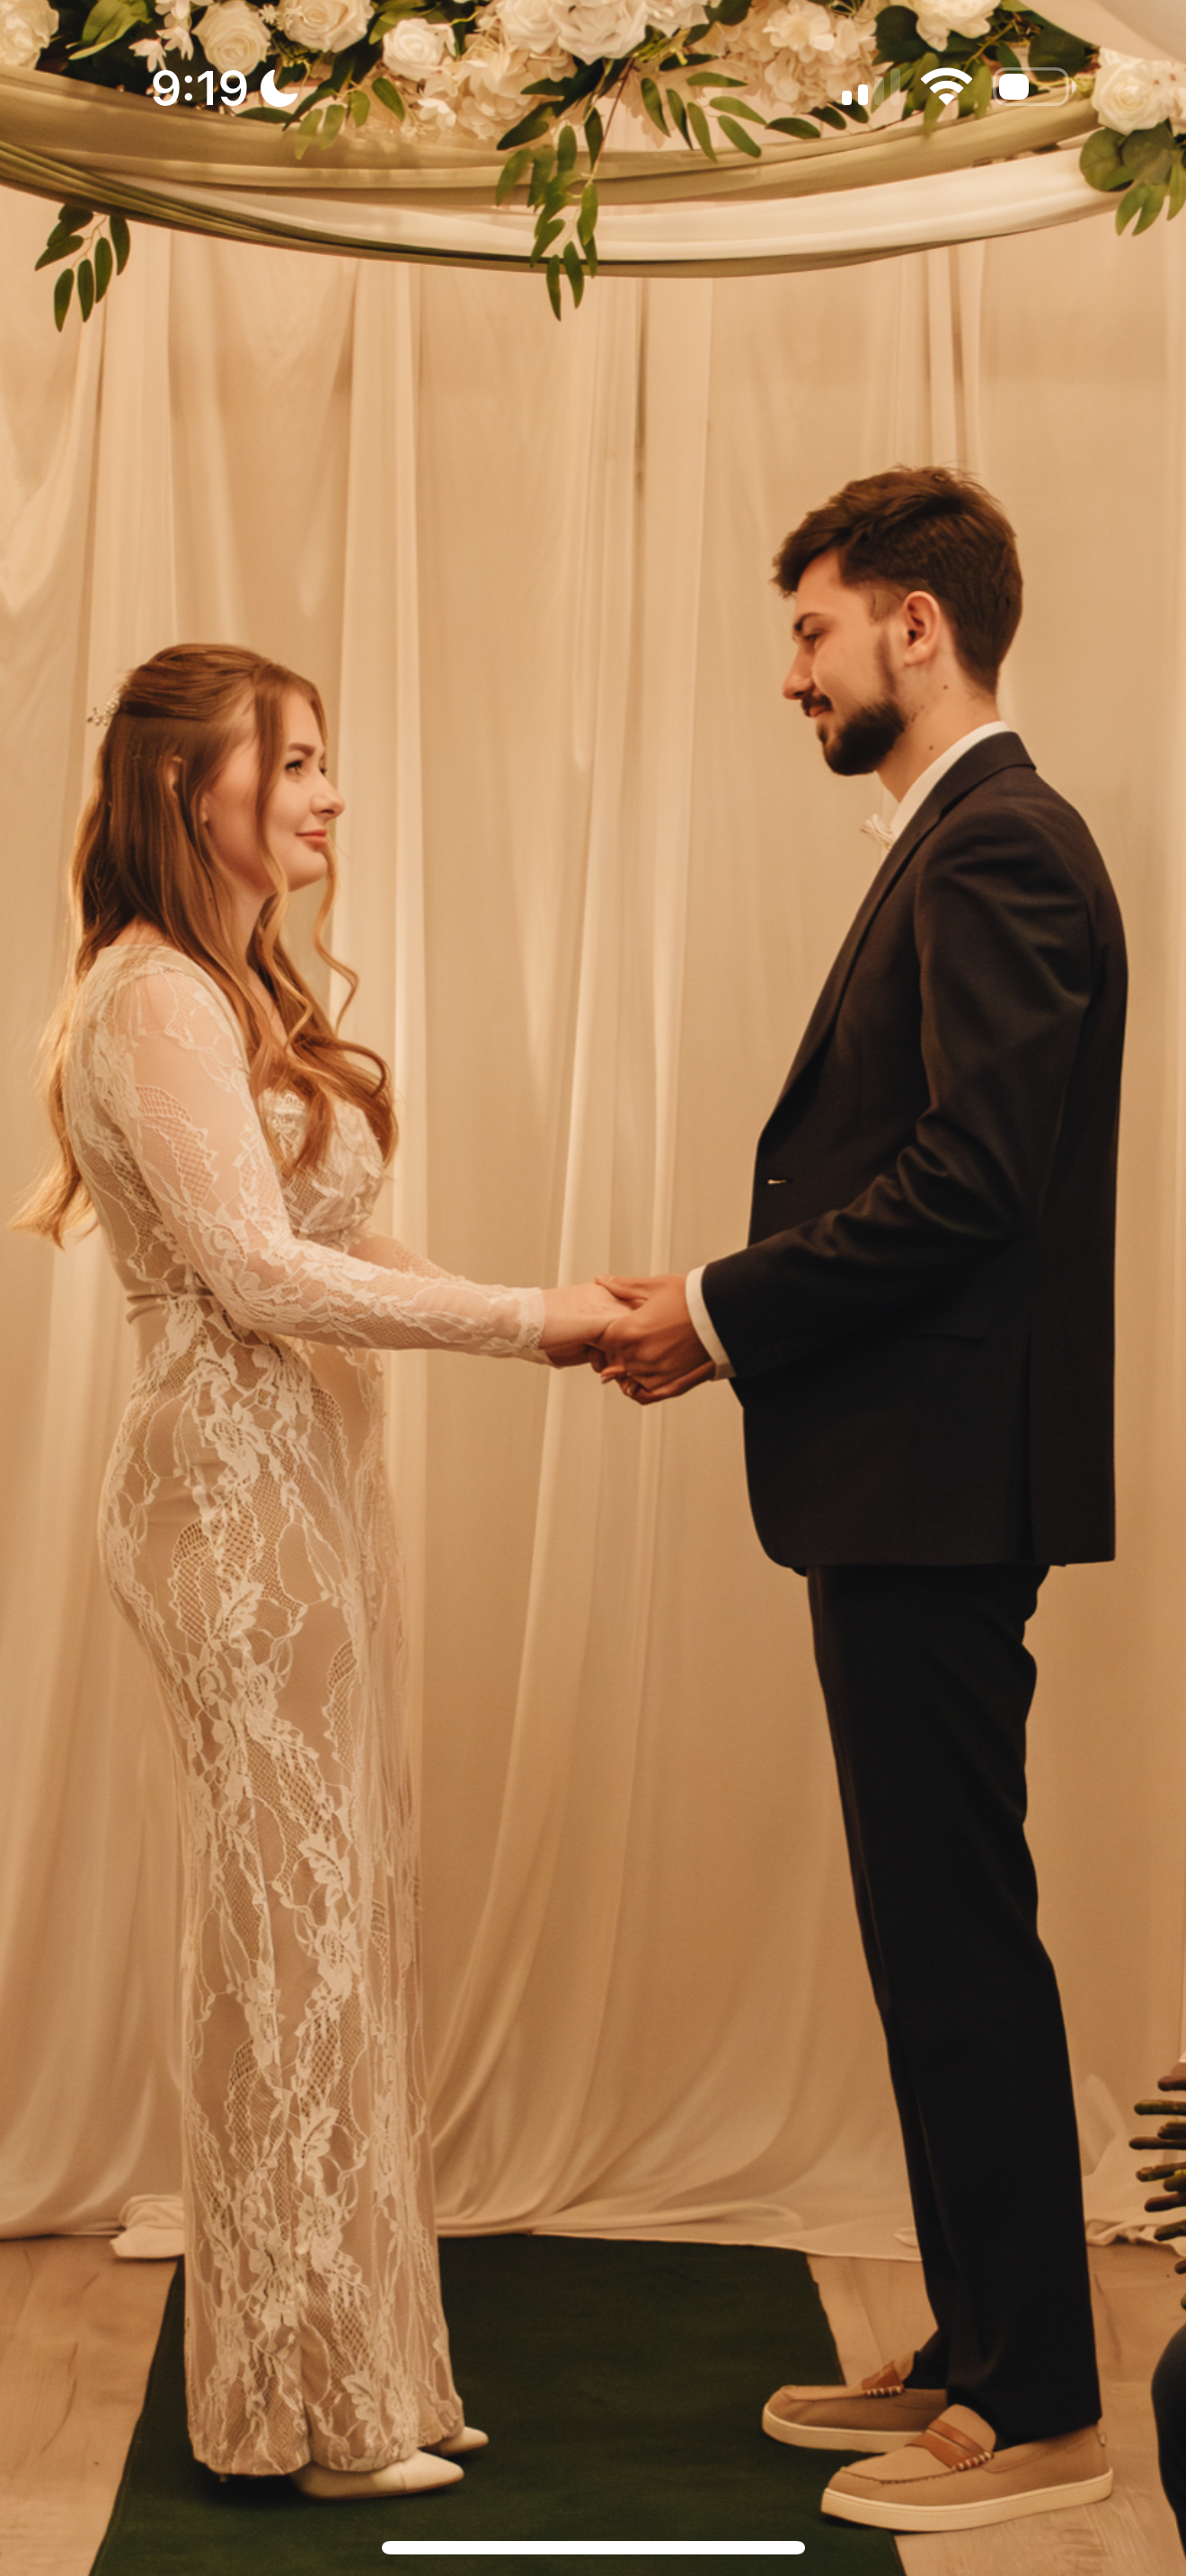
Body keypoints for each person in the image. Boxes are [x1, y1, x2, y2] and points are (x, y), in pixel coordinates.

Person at [16, 644, 620, 2503]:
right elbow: (262, 1275)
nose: (329, 793)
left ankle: (361, 2372)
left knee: (338, 1923)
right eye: (292, 761)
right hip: (227, 1500)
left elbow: (340, 1239)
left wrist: (560, 1309)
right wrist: (533, 1323)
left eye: (321, 760)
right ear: (187, 787)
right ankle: (307, 2407)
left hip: (307, 1486)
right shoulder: (148, 996)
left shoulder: (231, 989)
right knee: (295, 1934)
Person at [594, 468, 1124, 2535]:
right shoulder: (969, 840)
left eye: (812, 629)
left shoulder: (1000, 844)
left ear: (919, 624)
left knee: (958, 1934)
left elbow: (972, 1184)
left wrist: (719, 1311)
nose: (792, 672)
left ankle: (1044, 2400)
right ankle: (986, 2336)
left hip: (936, 1482)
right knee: (931, 1931)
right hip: (909, 1477)